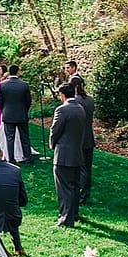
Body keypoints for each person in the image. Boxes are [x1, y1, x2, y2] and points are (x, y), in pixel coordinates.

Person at [50, 83, 87, 228]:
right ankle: (74, 213)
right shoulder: (80, 108)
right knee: (74, 186)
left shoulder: (62, 110)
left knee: (64, 187)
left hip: (64, 154)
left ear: (62, 95)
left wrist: (52, 145)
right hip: (77, 153)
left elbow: (55, 131)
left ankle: (65, 218)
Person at [0, 64, 32, 164]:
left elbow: (0, 102)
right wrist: (24, 110)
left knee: (10, 138)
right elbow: (28, 101)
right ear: (18, 72)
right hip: (21, 114)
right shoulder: (24, 85)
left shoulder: (2, 85)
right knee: (24, 137)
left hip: (8, 114)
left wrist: (4, 110)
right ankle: (28, 157)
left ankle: (11, 159)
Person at [72, 78, 95, 207]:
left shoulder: (75, 102)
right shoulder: (90, 100)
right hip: (88, 137)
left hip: (77, 138)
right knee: (87, 167)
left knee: (80, 169)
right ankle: (86, 192)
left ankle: (81, 195)